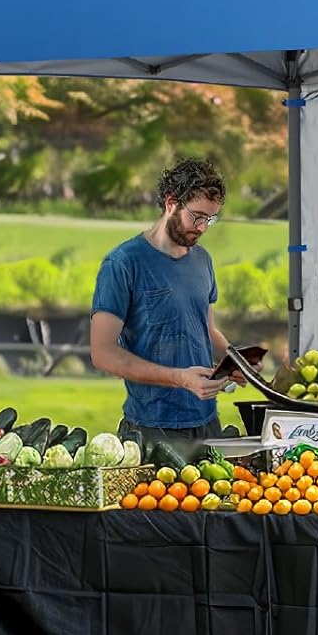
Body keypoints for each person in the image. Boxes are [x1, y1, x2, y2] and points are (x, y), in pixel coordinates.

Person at [89, 157, 232, 448]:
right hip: (151, 429)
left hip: (207, 424)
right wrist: (181, 378)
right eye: (197, 216)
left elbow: (207, 330)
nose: (203, 228)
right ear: (171, 204)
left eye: (210, 219)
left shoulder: (202, 259)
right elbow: (102, 353)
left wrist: (237, 361)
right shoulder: (123, 263)